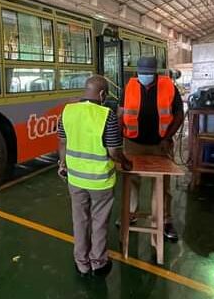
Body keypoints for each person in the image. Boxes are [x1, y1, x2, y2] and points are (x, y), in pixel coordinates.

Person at [58, 76, 132, 277]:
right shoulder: (106, 115)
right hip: (100, 182)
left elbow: (63, 144)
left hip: (75, 179)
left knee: (80, 220)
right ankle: (98, 263)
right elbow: (114, 151)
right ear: (102, 94)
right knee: (99, 221)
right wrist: (126, 163)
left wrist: (62, 164)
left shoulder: (67, 111)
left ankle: (81, 263)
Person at [119, 57, 184, 241]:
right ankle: (130, 214)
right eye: (141, 73)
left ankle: (165, 220)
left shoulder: (169, 86)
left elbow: (179, 114)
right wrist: (117, 139)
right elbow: (120, 113)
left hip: (160, 145)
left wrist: (167, 137)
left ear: (155, 73)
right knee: (132, 182)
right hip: (134, 144)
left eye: (147, 74)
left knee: (163, 184)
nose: (144, 77)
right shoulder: (129, 86)